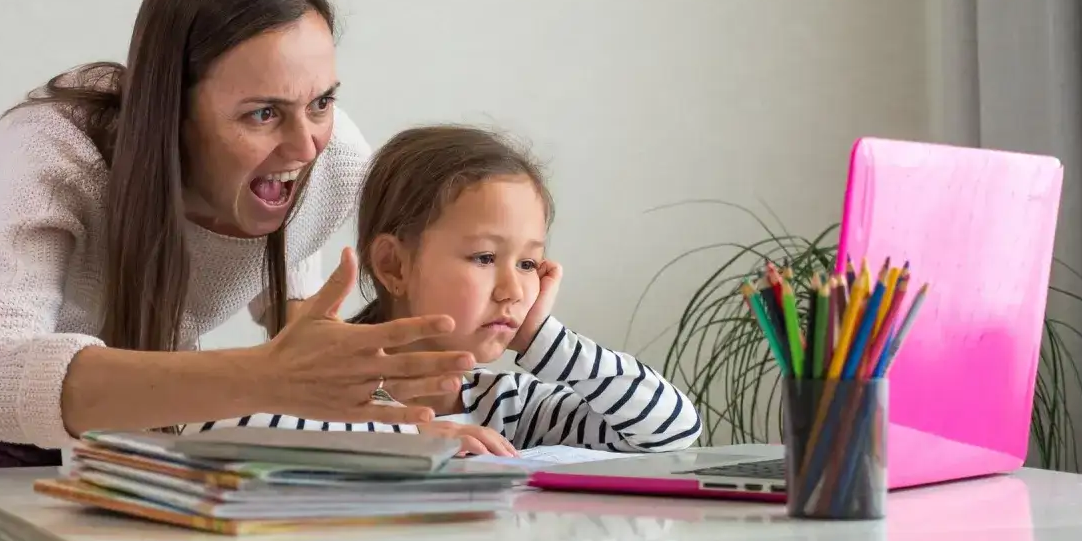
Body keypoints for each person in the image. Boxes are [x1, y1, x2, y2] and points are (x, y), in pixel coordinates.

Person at [0, 0, 479, 541]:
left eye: (322, 101)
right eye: (263, 112)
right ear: (174, 112)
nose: (305, 146)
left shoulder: (330, 161)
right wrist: (263, 377)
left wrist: (397, 427)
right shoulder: (54, 145)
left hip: (122, 433)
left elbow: (297, 322)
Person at [189, 125, 702, 456]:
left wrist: (544, 342)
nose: (512, 289)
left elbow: (673, 432)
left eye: (528, 262)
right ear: (394, 265)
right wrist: (411, 440)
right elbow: (209, 428)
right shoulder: (319, 389)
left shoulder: (510, 405)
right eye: (484, 257)